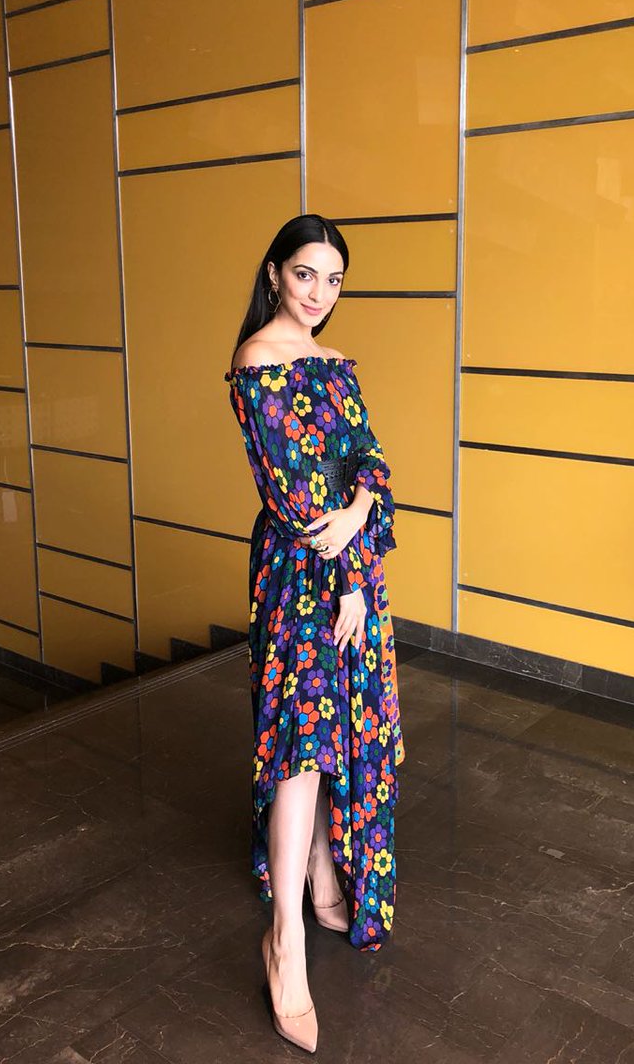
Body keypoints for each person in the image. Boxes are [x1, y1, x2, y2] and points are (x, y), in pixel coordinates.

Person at [224, 213, 405, 1053]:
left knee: (338, 731)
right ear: (274, 273)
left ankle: (324, 870)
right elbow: (297, 495)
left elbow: (372, 462)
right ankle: (285, 941)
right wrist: (351, 569)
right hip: (302, 578)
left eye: (333, 280)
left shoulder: (336, 363)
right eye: (305, 274)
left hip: (350, 575)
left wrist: (363, 512)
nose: (319, 293)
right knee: (303, 740)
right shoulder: (257, 361)